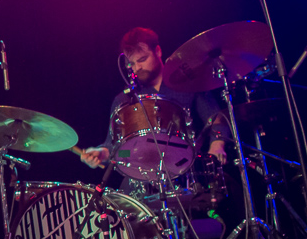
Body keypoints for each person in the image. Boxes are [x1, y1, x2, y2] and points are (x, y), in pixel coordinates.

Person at [80, 27, 228, 186]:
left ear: (157, 51)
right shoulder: (124, 99)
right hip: (141, 181)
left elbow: (217, 118)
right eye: (131, 64)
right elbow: (119, 150)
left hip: (185, 174)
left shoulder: (188, 84)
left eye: (142, 59)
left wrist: (217, 144)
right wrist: (102, 153)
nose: (137, 68)